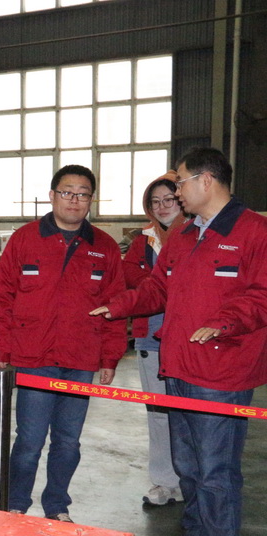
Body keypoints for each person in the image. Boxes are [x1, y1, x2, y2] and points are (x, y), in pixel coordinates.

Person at [93, 148, 267, 536]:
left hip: (222, 372)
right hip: (178, 367)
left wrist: (225, 321)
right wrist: (119, 305)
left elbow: (262, 295)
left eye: (181, 182)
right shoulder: (185, 235)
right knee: (187, 465)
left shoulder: (254, 232)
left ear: (206, 180)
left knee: (215, 469)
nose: (176, 192)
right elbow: (158, 289)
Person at [0, 164, 126, 523]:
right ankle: (16, 503)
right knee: (29, 439)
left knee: (68, 441)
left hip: (81, 358)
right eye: (67, 192)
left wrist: (110, 358)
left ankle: (57, 505)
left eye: (83, 194)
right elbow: (2, 298)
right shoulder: (25, 240)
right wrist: (1, 348)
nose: (74, 200)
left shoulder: (105, 247)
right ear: (52, 196)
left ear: (91, 200)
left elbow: (115, 306)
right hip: (34, 357)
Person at [124, 172, 187, 507]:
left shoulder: (199, 234)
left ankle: (194, 480)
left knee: (195, 414)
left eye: (169, 200)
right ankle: (165, 482)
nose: (162, 207)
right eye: (155, 202)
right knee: (159, 413)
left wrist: (159, 284)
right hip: (151, 340)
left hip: (191, 341)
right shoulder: (143, 242)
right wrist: (160, 285)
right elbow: (131, 276)